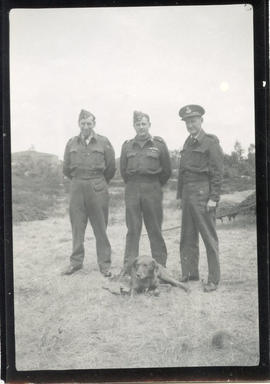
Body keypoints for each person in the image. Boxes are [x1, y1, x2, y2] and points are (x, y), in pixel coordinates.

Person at [62, 109, 116, 276]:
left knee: (100, 227)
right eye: (83, 123)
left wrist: (98, 182)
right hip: (77, 186)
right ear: (79, 124)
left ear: (94, 124)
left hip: (97, 186)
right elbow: (66, 168)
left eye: (89, 123)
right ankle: (76, 263)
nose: (86, 126)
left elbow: (111, 167)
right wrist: (79, 180)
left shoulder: (103, 142)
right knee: (77, 227)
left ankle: (105, 265)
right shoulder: (71, 143)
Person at [177, 104, 223, 292]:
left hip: (204, 194)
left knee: (208, 237)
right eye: (187, 122)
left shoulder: (210, 143)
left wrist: (214, 198)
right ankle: (190, 273)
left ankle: (213, 279)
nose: (190, 125)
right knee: (187, 236)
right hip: (188, 195)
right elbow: (182, 172)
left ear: (201, 121)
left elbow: (217, 173)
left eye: (193, 121)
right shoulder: (187, 143)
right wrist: (180, 196)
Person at [120, 110, 172, 270]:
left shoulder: (159, 145)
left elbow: (167, 171)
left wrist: (154, 185)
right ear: (133, 126)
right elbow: (123, 171)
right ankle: (129, 267)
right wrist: (134, 185)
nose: (141, 127)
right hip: (133, 189)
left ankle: (160, 266)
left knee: (154, 228)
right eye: (138, 124)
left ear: (149, 125)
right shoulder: (127, 145)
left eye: (144, 124)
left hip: (152, 189)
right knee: (133, 229)